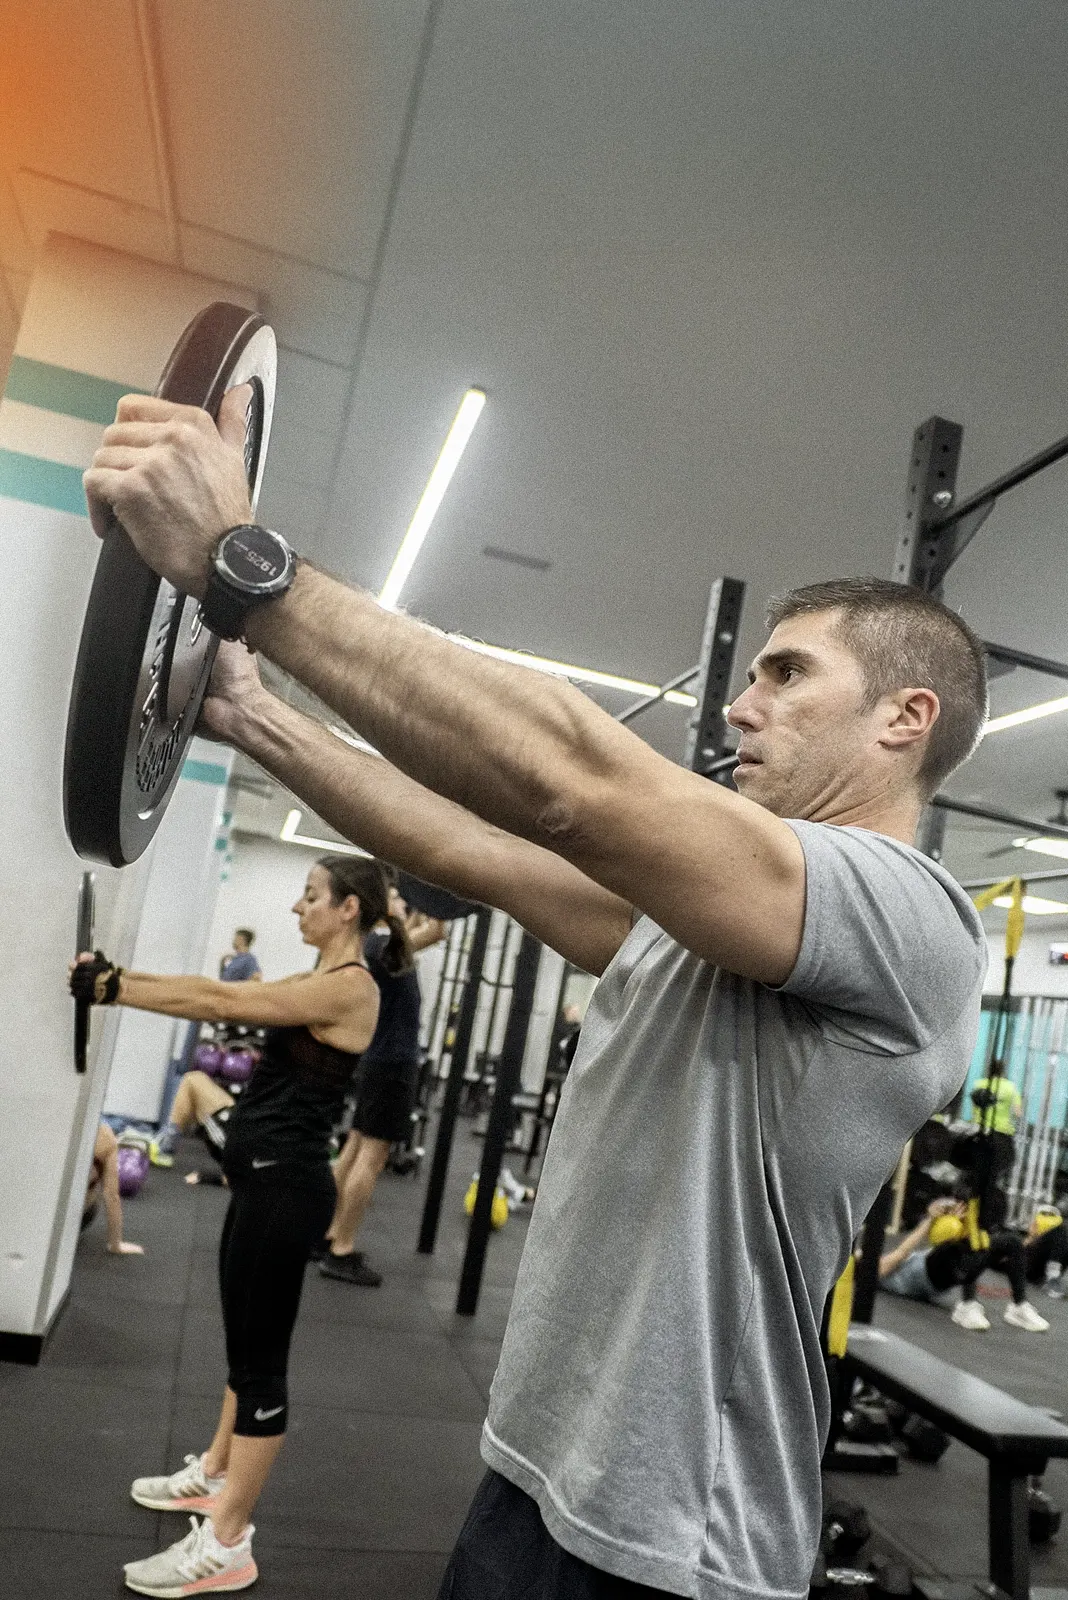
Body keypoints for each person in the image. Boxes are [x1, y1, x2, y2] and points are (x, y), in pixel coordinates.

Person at [86, 394, 991, 1600]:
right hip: (536, 1469)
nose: (741, 703)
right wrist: (255, 717)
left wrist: (247, 568)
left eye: (787, 673)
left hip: (681, 1544)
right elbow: (477, 849)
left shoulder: (912, 919)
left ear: (904, 718)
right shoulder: (701, 928)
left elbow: (573, 783)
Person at [71, 855, 393, 1598]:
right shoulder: (318, 979)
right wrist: (118, 979)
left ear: (348, 910)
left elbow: (218, 996)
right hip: (261, 1184)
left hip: (287, 1195)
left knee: (261, 1367)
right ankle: (214, 1473)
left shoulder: (348, 989)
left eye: (311, 896)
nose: (296, 908)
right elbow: (223, 992)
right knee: (240, 1347)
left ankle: (229, 1542)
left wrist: (115, 988)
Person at [320, 880, 445, 1286]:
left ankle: (325, 1234)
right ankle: (341, 1248)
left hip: (379, 1061)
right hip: (392, 1063)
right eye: (394, 897)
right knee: (371, 1158)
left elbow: (427, 933)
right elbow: (438, 929)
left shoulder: (376, 947)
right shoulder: (382, 945)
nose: (400, 901)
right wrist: (437, 886)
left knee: (354, 1148)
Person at [878, 1199, 1049, 1332]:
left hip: (941, 1264)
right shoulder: (867, 1269)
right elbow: (902, 1253)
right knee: (964, 1243)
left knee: (1012, 1242)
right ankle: (967, 1305)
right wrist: (930, 1219)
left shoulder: (866, 1261)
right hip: (930, 1272)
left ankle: (1018, 1307)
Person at [81, 1122, 144, 1256]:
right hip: (75, 1216)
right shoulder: (105, 1136)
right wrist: (116, 1244)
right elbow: (111, 1196)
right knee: (93, 1205)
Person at [1024, 1205, 1068, 1298]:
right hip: (1030, 1264)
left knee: (1062, 1235)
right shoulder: (1056, 1230)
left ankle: (1052, 1277)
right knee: (1061, 1232)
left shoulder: (1057, 1229)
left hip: (1045, 1265)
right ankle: (1052, 1277)